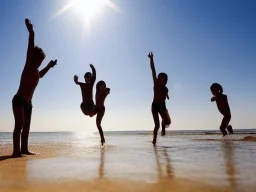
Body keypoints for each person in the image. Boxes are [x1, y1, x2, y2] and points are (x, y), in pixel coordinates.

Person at [12, 19, 57, 157]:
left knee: (26, 128)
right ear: (33, 58)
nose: (40, 63)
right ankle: (16, 151)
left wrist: (49, 66)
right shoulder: (28, 66)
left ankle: (24, 149)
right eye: (40, 60)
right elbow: (30, 47)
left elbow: (41, 75)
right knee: (19, 125)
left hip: (28, 103)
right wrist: (31, 31)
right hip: (19, 99)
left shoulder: (37, 71)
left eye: (42, 61)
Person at [148, 52, 171, 145]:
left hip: (162, 106)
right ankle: (154, 141)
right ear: (157, 79)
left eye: (164, 80)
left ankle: (163, 126)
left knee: (168, 122)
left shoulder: (166, 88)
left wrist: (167, 95)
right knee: (156, 125)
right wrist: (151, 59)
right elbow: (153, 70)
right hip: (154, 106)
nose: (161, 80)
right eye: (160, 78)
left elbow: (165, 92)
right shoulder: (156, 84)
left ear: (166, 81)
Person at [94, 80, 110, 145]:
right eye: (102, 85)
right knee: (97, 124)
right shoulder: (97, 91)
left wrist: (107, 90)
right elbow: (98, 86)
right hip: (95, 108)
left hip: (101, 109)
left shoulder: (104, 92)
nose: (104, 87)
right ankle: (102, 139)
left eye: (104, 85)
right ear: (98, 87)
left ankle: (102, 139)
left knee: (98, 124)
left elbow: (107, 90)